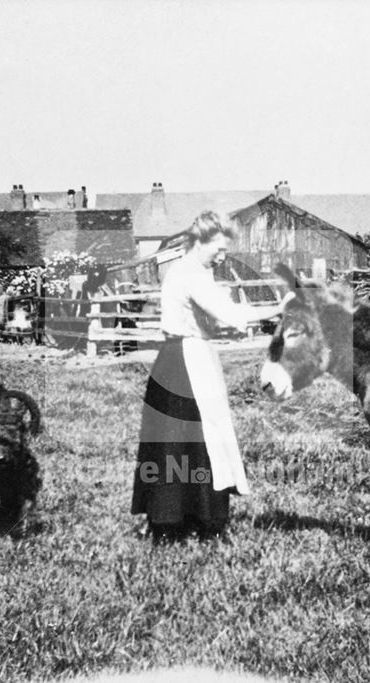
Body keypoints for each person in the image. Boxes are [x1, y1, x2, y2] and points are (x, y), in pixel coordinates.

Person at [131, 211, 278, 543]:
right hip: (185, 362)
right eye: (219, 248)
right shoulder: (190, 276)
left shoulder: (194, 272)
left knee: (193, 442)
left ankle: (186, 519)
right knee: (189, 441)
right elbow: (228, 313)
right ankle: (177, 523)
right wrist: (279, 308)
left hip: (188, 358)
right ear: (198, 242)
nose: (224, 256)